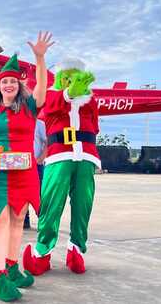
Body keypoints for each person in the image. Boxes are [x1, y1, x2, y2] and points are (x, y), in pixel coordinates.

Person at [0, 31, 54, 302]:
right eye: (4, 81)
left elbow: (42, 88)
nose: (8, 85)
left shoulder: (30, 108)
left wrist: (40, 58)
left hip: (23, 171)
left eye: (13, 81)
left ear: (19, 86)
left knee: (18, 219)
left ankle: (11, 267)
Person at [23, 58, 100, 276]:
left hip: (86, 157)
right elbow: (51, 106)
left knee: (83, 204)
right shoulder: (51, 95)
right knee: (51, 203)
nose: (70, 81)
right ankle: (42, 253)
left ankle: (76, 250)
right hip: (59, 156)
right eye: (66, 77)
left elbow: (95, 124)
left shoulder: (91, 101)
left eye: (75, 77)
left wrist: (81, 96)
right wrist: (68, 95)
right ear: (59, 78)